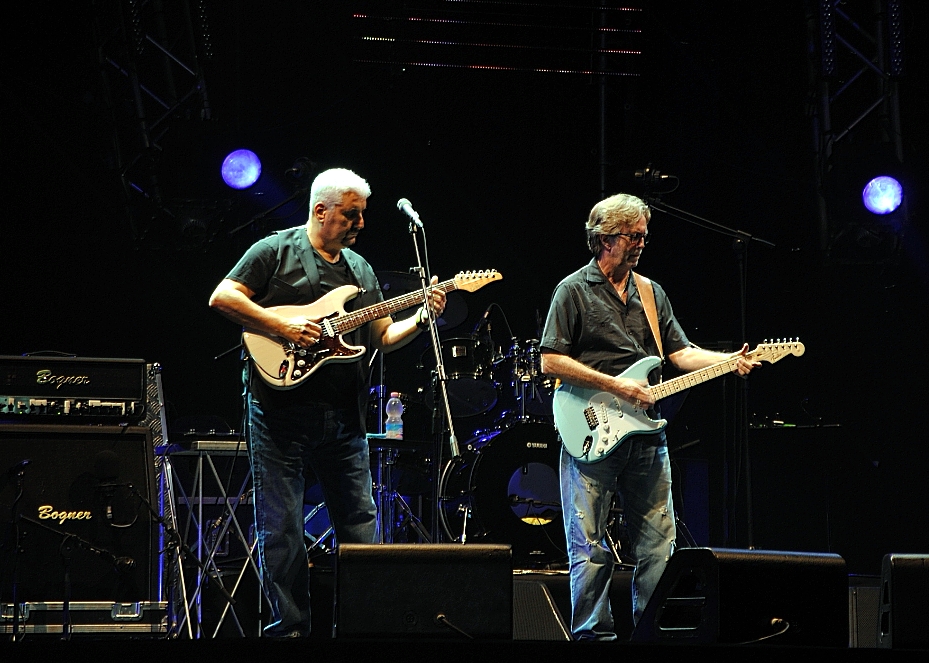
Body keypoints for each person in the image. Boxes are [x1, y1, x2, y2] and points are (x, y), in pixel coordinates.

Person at [208, 167, 446, 638]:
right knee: (282, 531)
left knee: (361, 527)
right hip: (277, 415)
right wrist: (282, 328)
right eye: (351, 215)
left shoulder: (360, 270)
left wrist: (421, 317)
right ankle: (290, 630)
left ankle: (365, 628)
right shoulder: (275, 250)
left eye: (362, 215)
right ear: (321, 210)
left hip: (343, 417)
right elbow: (222, 297)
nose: (360, 224)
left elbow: (381, 337)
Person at [539, 192, 758, 640]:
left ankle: (652, 636)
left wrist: (728, 360)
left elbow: (679, 353)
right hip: (591, 428)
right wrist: (618, 385)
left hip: (645, 436)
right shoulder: (573, 290)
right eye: (631, 236)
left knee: (659, 545)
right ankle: (592, 637)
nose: (640, 243)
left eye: (643, 235)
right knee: (590, 545)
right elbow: (550, 361)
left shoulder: (651, 292)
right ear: (603, 239)